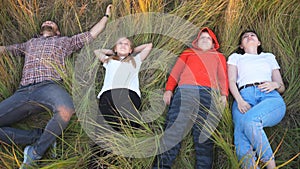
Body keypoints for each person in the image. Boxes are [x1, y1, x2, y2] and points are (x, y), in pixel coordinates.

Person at [0, 4, 112, 169]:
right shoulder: (29, 43)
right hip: (23, 92)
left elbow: (91, 34)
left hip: (49, 87)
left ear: (57, 32)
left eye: (53, 23)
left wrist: (107, 16)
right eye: (46, 22)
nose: (49, 22)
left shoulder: (65, 42)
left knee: (66, 108)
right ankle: (38, 137)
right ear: (40, 31)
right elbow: (5, 49)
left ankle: (36, 152)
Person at [153, 27, 228, 169]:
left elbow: (223, 77)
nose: (205, 40)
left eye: (208, 38)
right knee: (174, 130)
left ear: (213, 43)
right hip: (186, 91)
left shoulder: (219, 56)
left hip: (209, 93)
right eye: (202, 38)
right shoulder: (188, 53)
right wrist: (169, 90)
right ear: (196, 41)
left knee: (205, 136)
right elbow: (176, 72)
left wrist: (224, 94)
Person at [90, 37, 152, 168]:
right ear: (115, 48)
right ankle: (98, 164)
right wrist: (113, 52)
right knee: (102, 131)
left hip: (129, 94)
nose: (123, 45)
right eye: (120, 43)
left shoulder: (135, 61)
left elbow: (149, 46)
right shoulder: (109, 61)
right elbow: (96, 51)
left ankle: (120, 162)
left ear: (130, 50)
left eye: (126, 44)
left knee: (125, 131)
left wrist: (133, 50)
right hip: (109, 94)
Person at [227, 30, 286, 169]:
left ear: (259, 42)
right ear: (241, 45)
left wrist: (275, 84)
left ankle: (271, 165)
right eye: (245, 37)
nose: (249, 37)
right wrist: (239, 100)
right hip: (244, 96)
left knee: (250, 120)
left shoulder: (268, 57)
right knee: (240, 138)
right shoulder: (236, 57)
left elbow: (281, 86)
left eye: (252, 35)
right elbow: (231, 80)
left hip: (269, 96)